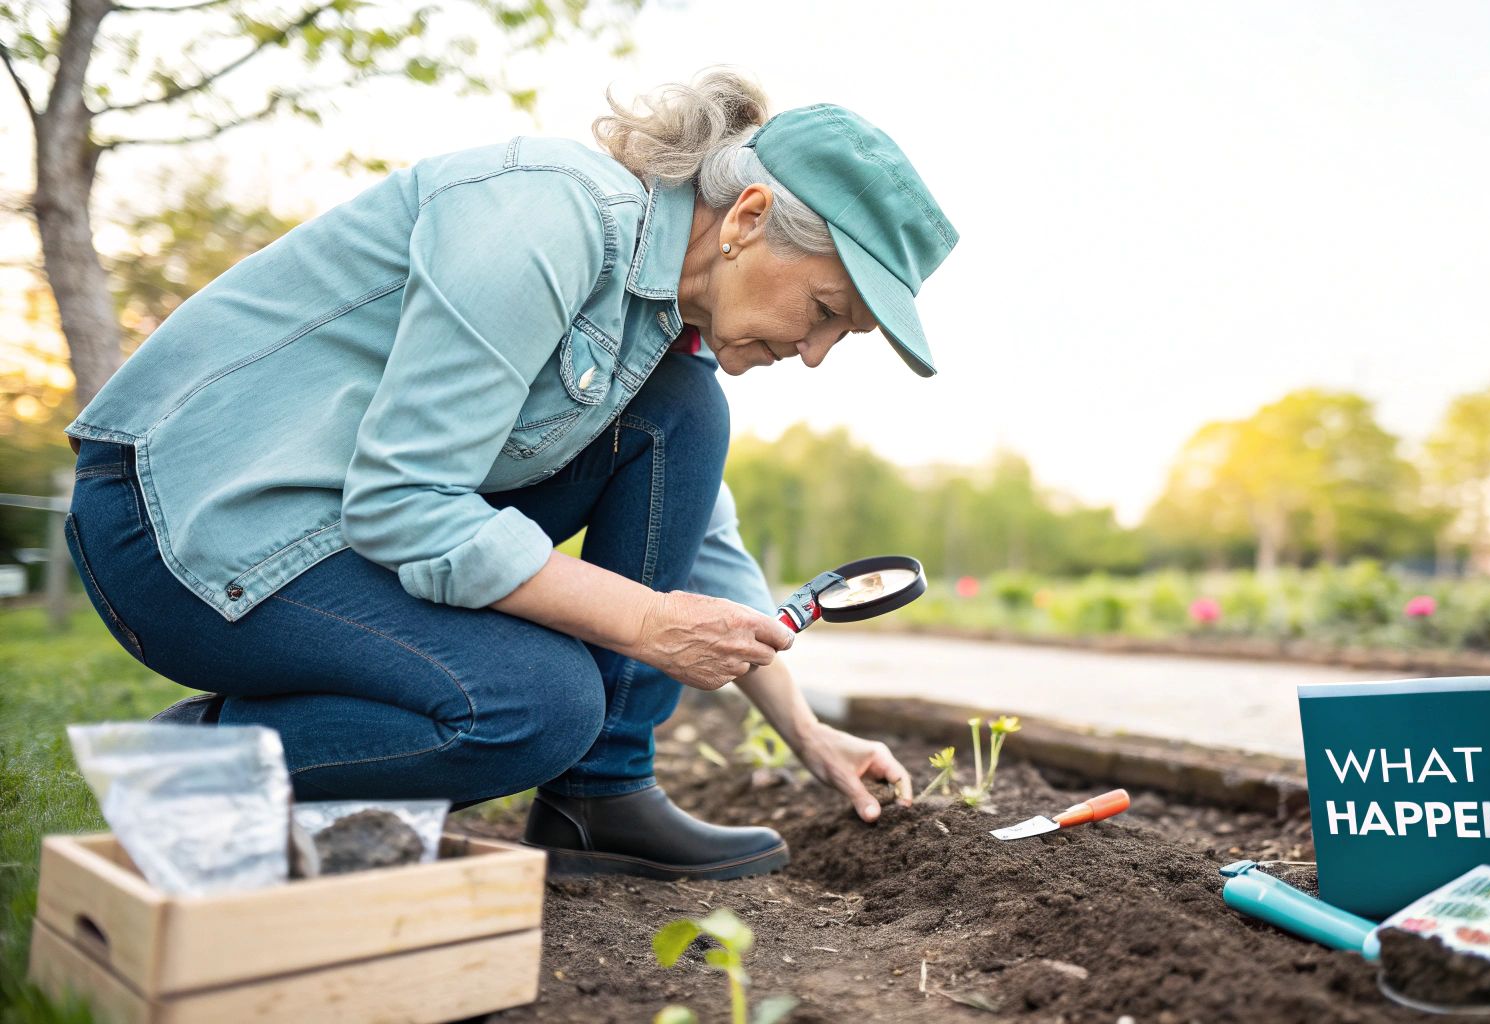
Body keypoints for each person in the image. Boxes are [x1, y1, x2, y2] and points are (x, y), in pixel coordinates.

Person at [59, 69, 959, 881]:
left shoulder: (661, 335)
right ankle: (181, 765)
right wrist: (646, 623)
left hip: (332, 526)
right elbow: (406, 501)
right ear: (750, 218)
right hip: (183, 525)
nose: (812, 354)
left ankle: (600, 800)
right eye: (826, 311)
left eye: (840, 338)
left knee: (684, 410)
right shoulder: (548, 214)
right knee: (532, 705)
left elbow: (699, 541)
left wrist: (805, 732)